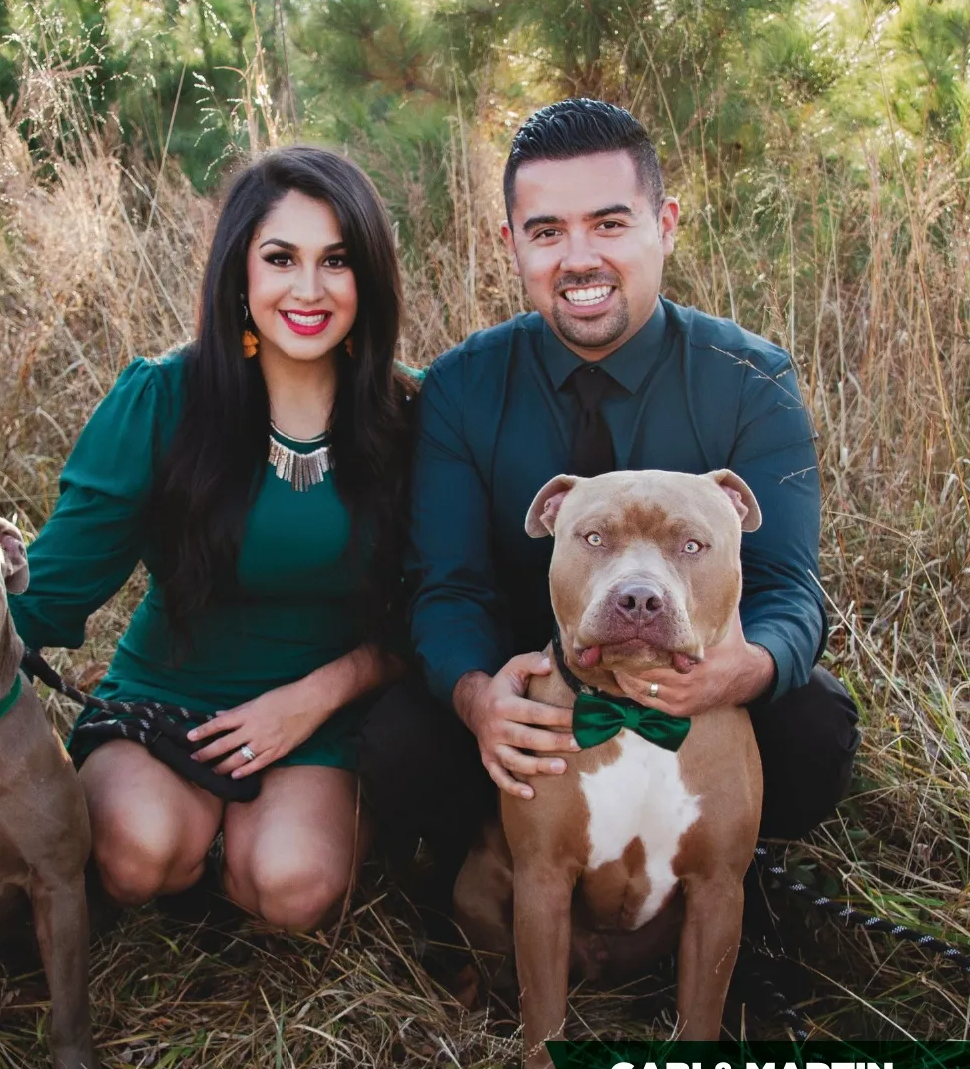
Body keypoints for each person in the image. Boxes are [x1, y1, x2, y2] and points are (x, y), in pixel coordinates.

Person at [360, 98, 859, 891]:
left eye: (610, 224)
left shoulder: (749, 381)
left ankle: (714, 869)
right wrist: (480, 698)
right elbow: (447, 585)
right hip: (536, 694)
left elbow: (787, 586)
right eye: (547, 232)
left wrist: (739, 670)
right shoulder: (462, 387)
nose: (579, 258)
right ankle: (501, 876)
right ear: (511, 245)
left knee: (813, 727)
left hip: (695, 683)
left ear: (665, 225)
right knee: (400, 743)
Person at [9, 146, 415, 930]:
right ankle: (188, 849)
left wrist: (316, 697)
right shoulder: (162, 400)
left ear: (369, 275)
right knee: (136, 854)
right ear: (238, 273)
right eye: (280, 259)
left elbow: (435, 607)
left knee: (293, 888)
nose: (308, 289)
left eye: (336, 260)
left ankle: (239, 859)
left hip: (320, 717)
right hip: (168, 702)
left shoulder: (413, 418)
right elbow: (54, 584)